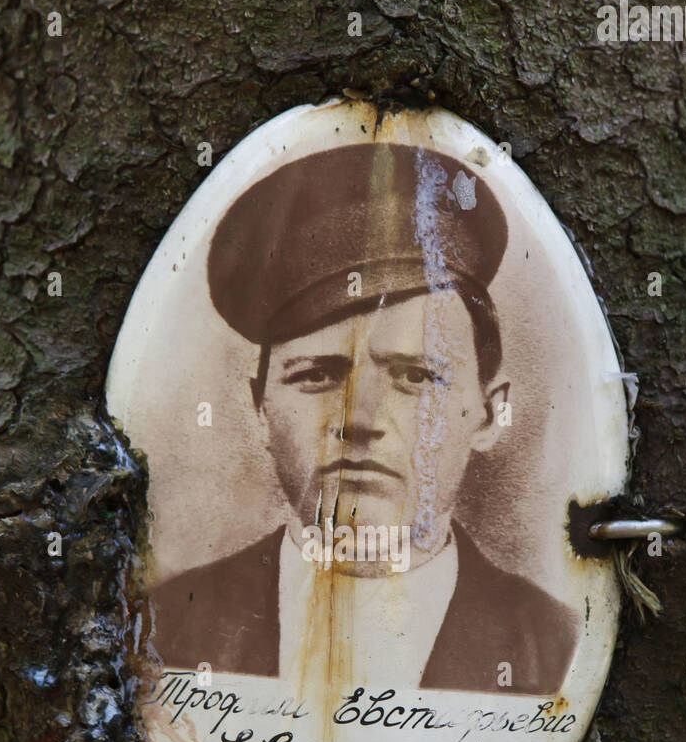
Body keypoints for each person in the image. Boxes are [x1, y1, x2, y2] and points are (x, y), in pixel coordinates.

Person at [150, 142, 579, 695]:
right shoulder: (162, 628)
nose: (360, 419)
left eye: (417, 377)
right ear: (260, 408)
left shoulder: (561, 648)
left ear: (492, 412)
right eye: (316, 375)